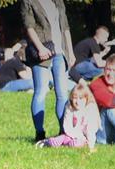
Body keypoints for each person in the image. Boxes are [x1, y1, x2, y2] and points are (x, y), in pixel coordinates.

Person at [21, 0, 74, 142]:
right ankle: (39, 133)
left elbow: (65, 27)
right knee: (41, 91)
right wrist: (40, 48)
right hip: (42, 52)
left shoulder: (58, 2)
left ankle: (65, 131)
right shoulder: (28, 2)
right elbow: (29, 27)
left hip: (60, 52)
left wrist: (70, 51)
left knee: (62, 93)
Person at [35, 81, 100, 151]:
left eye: (81, 98)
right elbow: (67, 125)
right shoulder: (69, 106)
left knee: (75, 144)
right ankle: (47, 142)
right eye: (75, 98)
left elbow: (91, 129)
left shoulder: (90, 109)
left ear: (86, 98)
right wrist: (72, 136)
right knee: (56, 141)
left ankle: (69, 144)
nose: (77, 101)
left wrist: (90, 145)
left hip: (84, 137)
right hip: (70, 134)